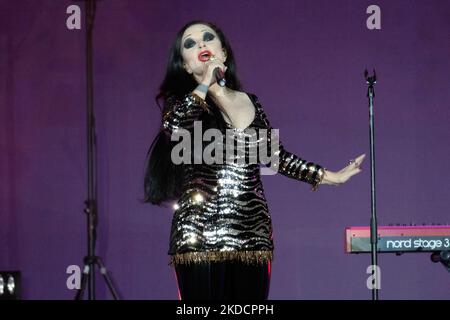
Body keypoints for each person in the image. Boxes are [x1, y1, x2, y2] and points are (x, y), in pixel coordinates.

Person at [144, 20, 365, 300]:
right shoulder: (183, 101)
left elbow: (275, 156)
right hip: (199, 233)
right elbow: (175, 128)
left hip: (253, 231)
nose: (201, 44)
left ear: (223, 53)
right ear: (186, 65)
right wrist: (203, 84)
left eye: (208, 38)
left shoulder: (250, 101)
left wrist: (329, 176)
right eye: (190, 43)